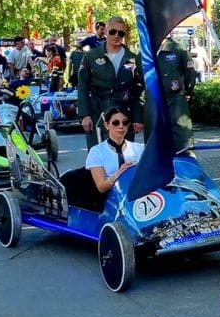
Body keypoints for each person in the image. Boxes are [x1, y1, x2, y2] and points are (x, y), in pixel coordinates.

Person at [77, 16, 144, 150]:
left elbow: (137, 91)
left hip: (123, 114)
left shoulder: (133, 59)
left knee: (124, 156)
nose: (116, 35)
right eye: (113, 31)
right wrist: (85, 115)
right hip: (98, 112)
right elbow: (82, 86)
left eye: (121, 33)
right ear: (105, 31)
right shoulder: (91, 56)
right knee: (98, 157)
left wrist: (138, 118)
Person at [153, 35, 197, 154]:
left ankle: (185, 167)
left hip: (175, 100)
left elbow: (190, 71)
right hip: (154, 102)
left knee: (182, 140)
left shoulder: (177, 49)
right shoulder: (147, 50)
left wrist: (188, 91)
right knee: (157, 143)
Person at [85, 106, 143, 193]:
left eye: (125, 122)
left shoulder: (139, 148)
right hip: (111, 198)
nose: (121, 126)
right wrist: (118, 174)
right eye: (116, 123)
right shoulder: (96, 151)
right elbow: (101, 187)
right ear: (107, 125)